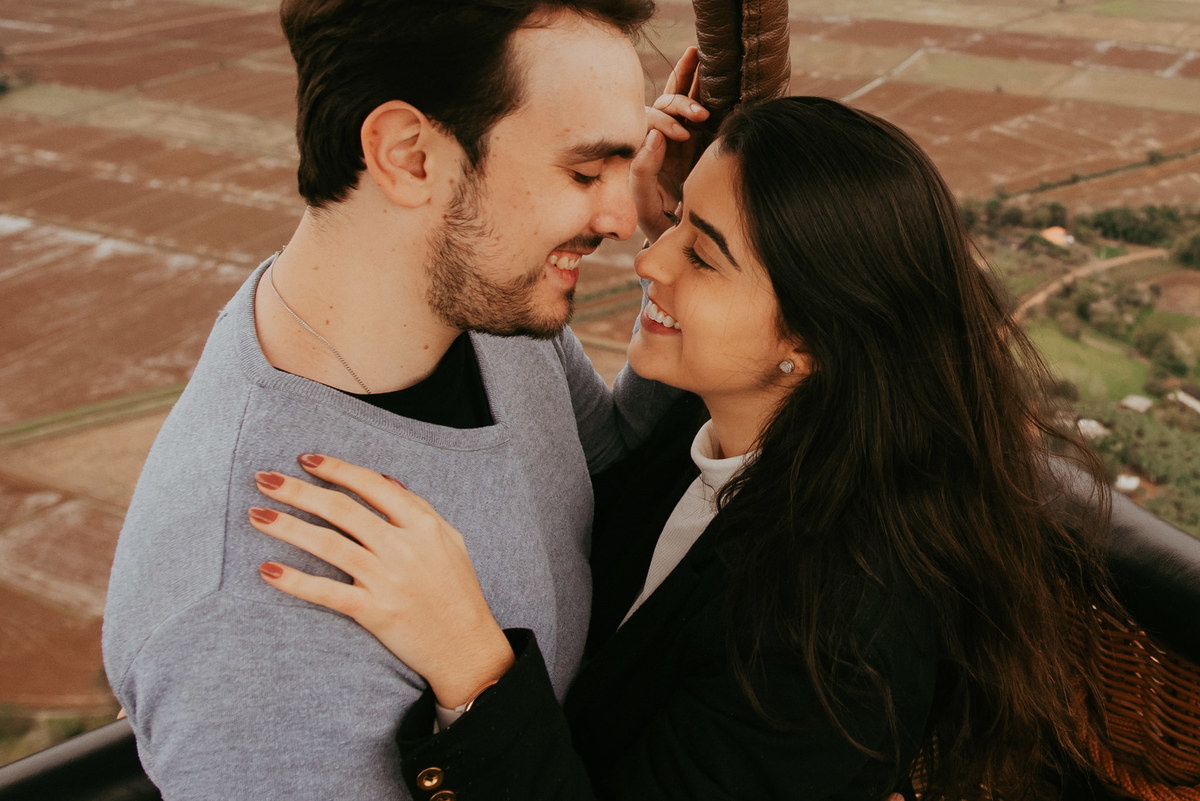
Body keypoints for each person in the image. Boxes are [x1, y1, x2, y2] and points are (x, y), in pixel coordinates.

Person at [247, 96, 1116, 800]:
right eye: (674, 223)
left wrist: (470, 663)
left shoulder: (838, 631)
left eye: (701, 254)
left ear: (809, 342)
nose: (648, 259)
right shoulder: (724, 437)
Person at [101, 1, 714, 797]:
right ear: (409, 156)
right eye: (583, 171)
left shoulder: (487, 308)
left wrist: (700, 259)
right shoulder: (248, 629)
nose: (623, 216)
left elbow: (606, 463)